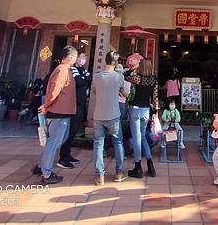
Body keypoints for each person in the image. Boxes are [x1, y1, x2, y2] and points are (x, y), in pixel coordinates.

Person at [34, 46, 78, 185]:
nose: (76, 60)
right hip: (59, 112)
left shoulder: (63, 69)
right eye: (75, 57)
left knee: (55, 141)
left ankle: (42, 166)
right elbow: (54, 91)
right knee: (53, 142)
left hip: (62, 111)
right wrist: (46, 105)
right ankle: (46, 173)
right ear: (70, 57)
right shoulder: (62, 70)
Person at [87, 51, 128, 185]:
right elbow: (123, 92)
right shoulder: (119, 76)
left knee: (98, 144)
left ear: (105, 61)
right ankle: (119, 172)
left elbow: (94, 91)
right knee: (118, 143)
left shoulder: (96, 76)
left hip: (98, 115)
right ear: (116, 63)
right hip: (114, 114)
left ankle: (100, 175)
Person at [124, 58, 159, 178]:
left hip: (135, 109)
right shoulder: (153, 79)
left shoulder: (138, 78)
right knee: (142, 136)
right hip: (146, 111)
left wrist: (133, 68)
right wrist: (155, 110)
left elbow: (125, 75)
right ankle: (150, 165)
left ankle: (138, 167)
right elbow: (155, 97)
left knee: (137, 138)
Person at [57, 53, 90, 168]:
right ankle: (63, 158)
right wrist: (84, 79)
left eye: (84, 58)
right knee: (69, 131)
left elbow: (89, 79)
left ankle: (67, 154)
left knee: (74, 130)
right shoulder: (72, 69)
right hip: (73, 104)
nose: (82, 60)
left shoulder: (83, 70)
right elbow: (79, 81)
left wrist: (84, 78)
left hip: (81, 104)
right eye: (80, 57)